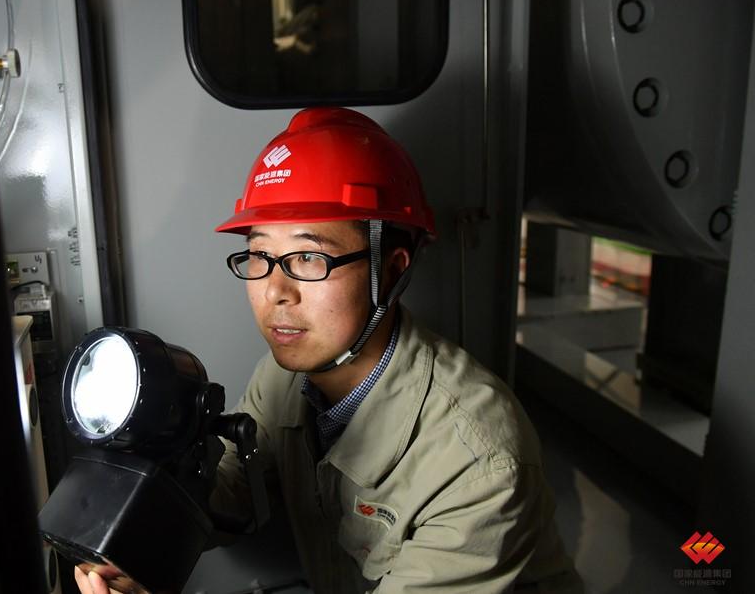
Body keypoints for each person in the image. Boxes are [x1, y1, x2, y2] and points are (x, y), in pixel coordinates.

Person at [76, 108, 580, 593]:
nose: (275, 291)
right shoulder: (283, 379)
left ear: (392, 271)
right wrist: (145, 539)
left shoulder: (477, 463)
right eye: (259, 254)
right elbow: (238, 489)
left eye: (308, 257)